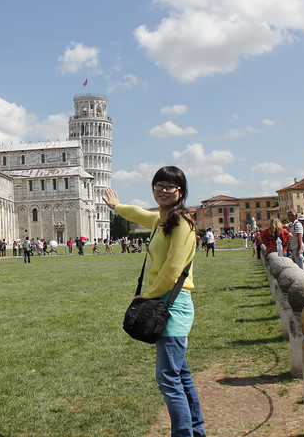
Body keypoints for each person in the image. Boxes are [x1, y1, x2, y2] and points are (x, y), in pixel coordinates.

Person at [103, 166, 205, 437]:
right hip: (165, 301)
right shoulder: (161, 220)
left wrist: (147, 296)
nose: (163, 190)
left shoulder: (182, 223)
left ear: (180, 191)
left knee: (168, 379)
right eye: (159, 185)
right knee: (180, 375)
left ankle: (184, 434)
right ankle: (196, 431)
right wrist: (117, 206)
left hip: (173, 303)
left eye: (170, 186)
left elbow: (173, 270)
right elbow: (138, 213)